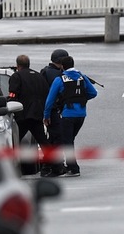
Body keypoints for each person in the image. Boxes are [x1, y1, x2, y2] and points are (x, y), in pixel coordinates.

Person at [43, 55, 97, 177]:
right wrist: (81, 99)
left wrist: (46, 115)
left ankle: (73, 168)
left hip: (67, 114)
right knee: (69, 139)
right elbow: (93, 92)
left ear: (62, 66)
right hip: (82, 114)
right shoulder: (81, 77)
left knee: (67, 141)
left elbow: (50, 100)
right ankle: (70, 165)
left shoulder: (59, 79)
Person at [7, 54, 59, 176]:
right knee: (43, 141)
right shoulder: (39, 76)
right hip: (37, 114)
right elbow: (46, 93)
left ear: (17, 65)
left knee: (13, 140)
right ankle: (56, 165)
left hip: (22, 114)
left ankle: (8, 166)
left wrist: (9, 102)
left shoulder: (17, 76)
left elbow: (13, 94)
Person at [39, 48, 68, 176]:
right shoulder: (57, 75)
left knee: (53, 139)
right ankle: (51, 166)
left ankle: (51, 165)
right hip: (54, 111)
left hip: (47, 110)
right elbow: (58, 95)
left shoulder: (45, 71)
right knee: (57, 139)